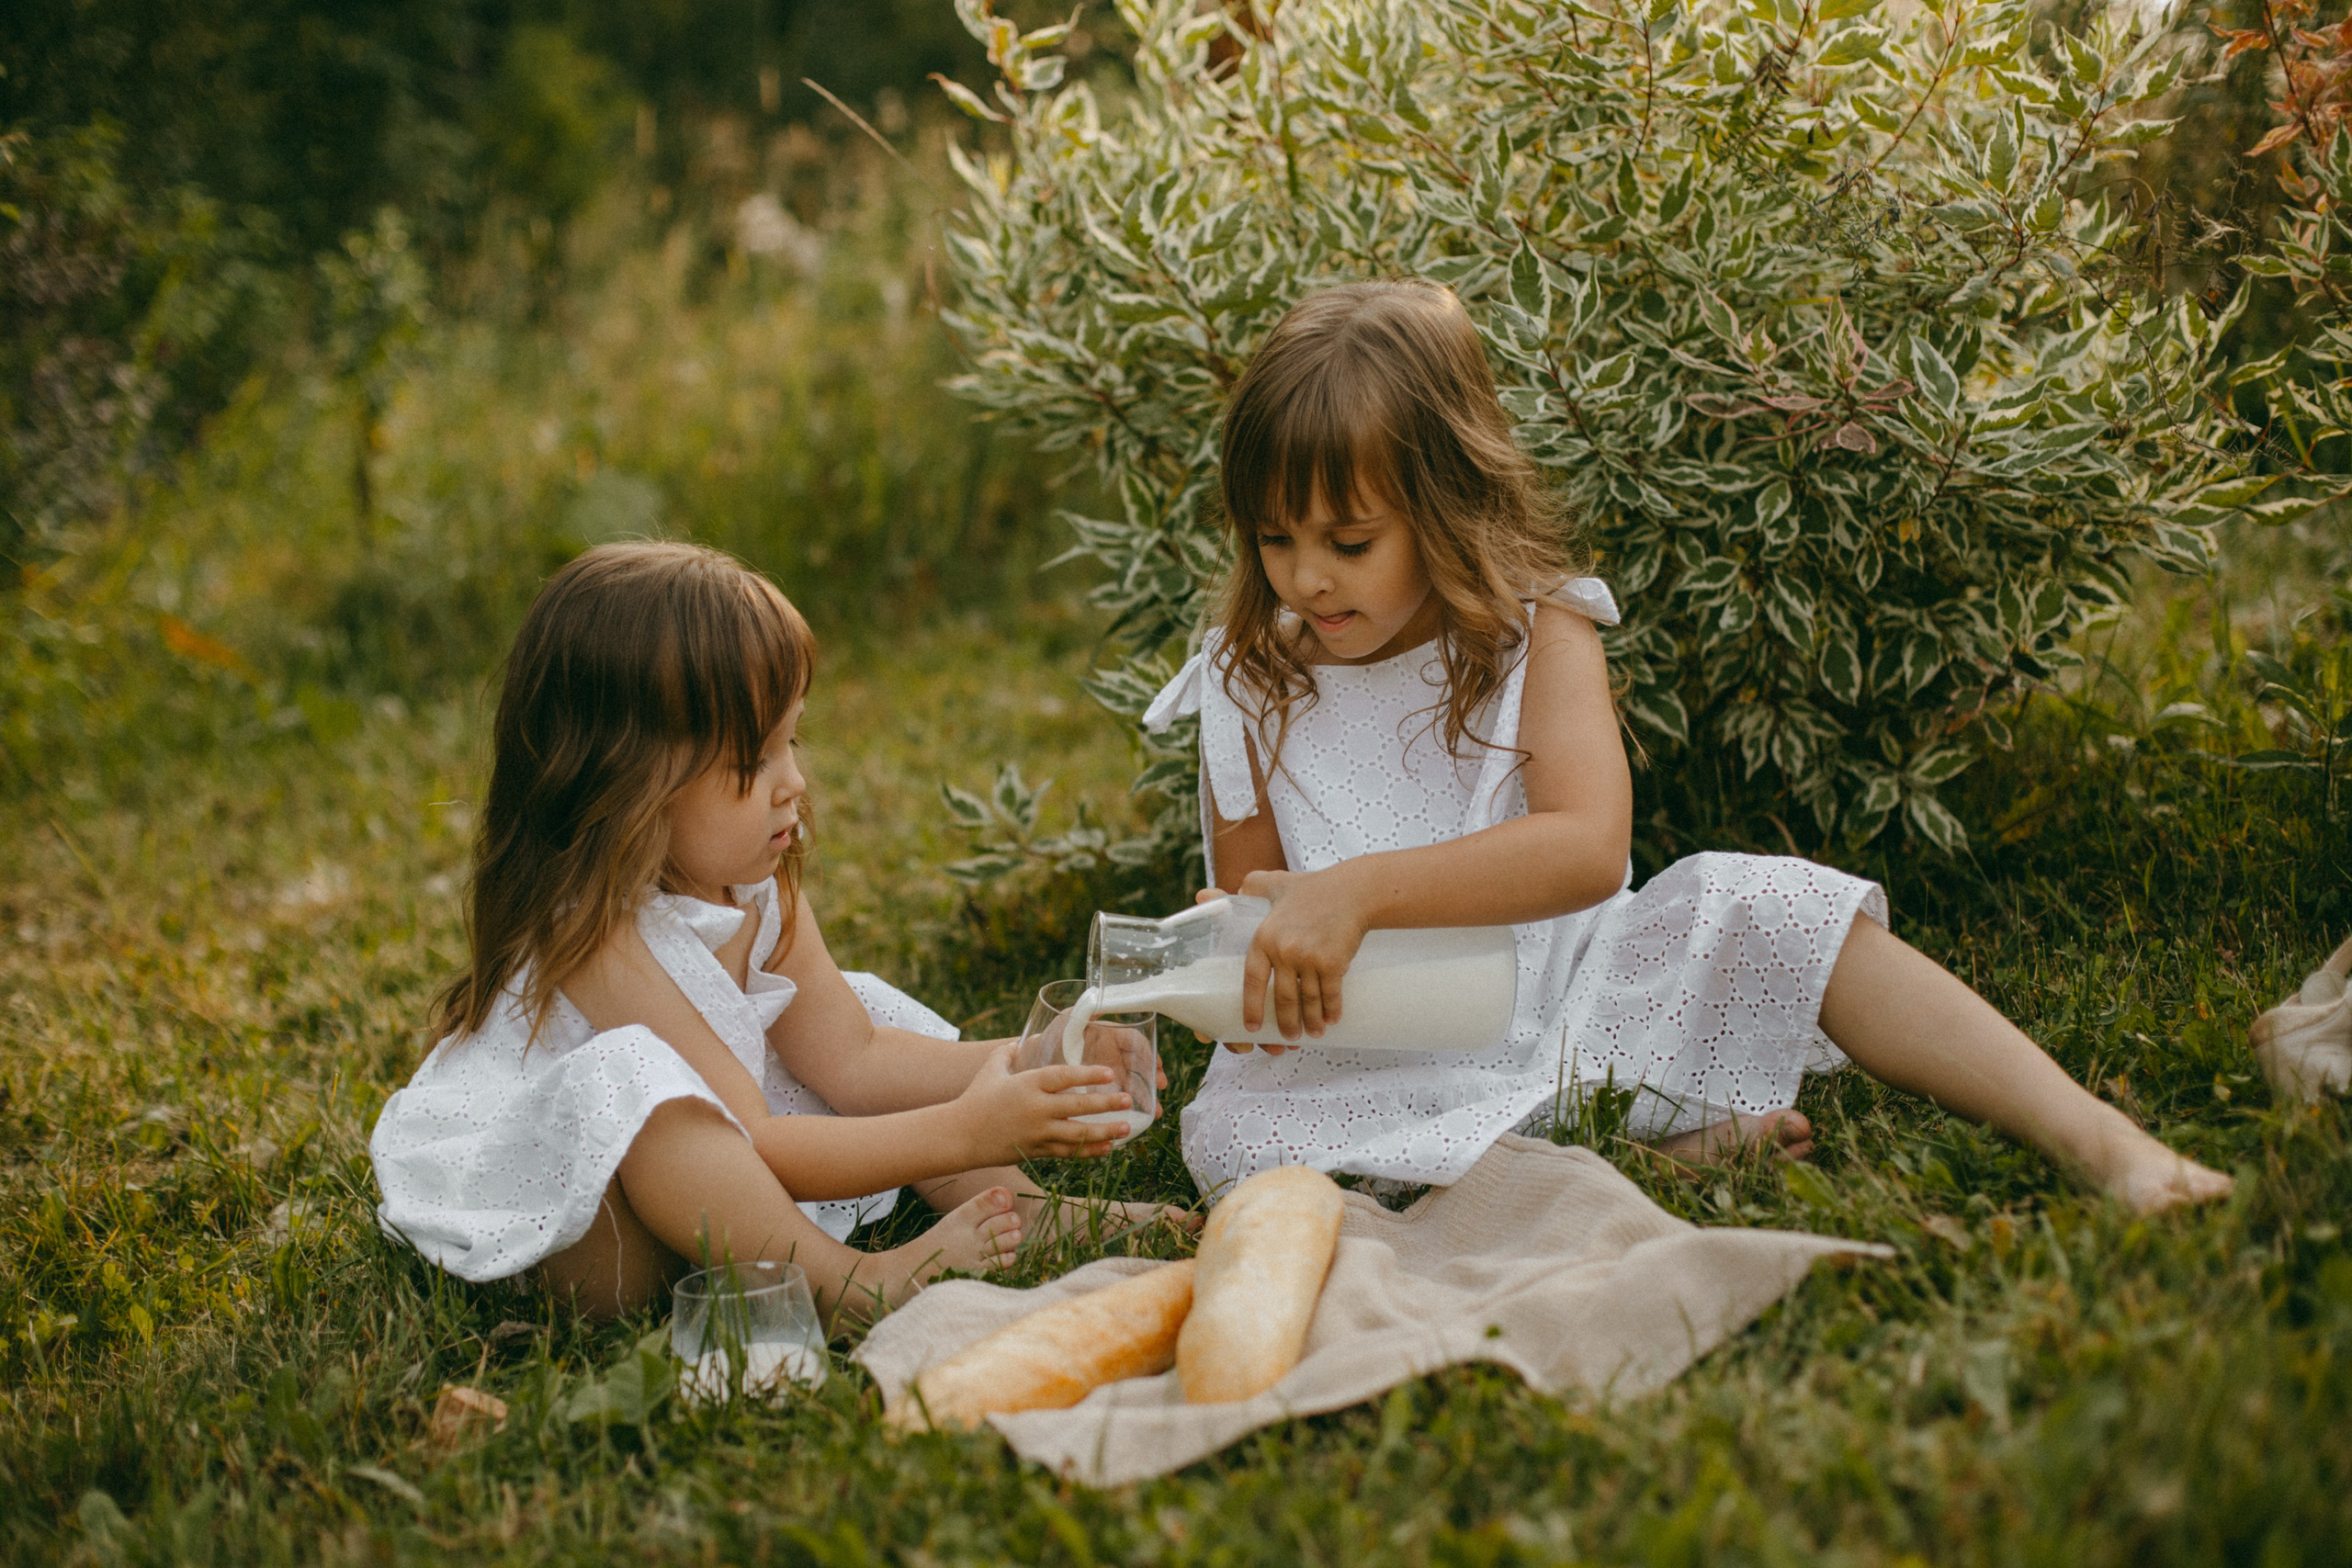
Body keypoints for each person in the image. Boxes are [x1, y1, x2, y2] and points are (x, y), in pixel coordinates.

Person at [1143, 279, 2232, 1215]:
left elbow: (1585, 849)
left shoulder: (1539, 632)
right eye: (1272, 539)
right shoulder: (1250, 683)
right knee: (1250, 1149)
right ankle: (1631, 1156)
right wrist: (1242, 958)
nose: (1305, 578)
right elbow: (1266, 913)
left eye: (1347, 541)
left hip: (1575, 994)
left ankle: (2095, 1138)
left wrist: (1364, 891)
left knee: (1763, 905)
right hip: (1382, 1053)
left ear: (1446, 500)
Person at [372, 541, 1176, 1323]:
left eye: (791, 739)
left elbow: (856, 1060)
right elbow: (749, 1138)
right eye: (754, 760)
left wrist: (1041, 1057)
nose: (794, 781)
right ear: (630, 785)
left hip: (719, 1200)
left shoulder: (758, 884)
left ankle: (1029, 1208)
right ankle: (853, 1286)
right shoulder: (590, 931)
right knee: (642, 1079)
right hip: (589, 1235)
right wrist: (966, 1125)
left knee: (861, 1007)